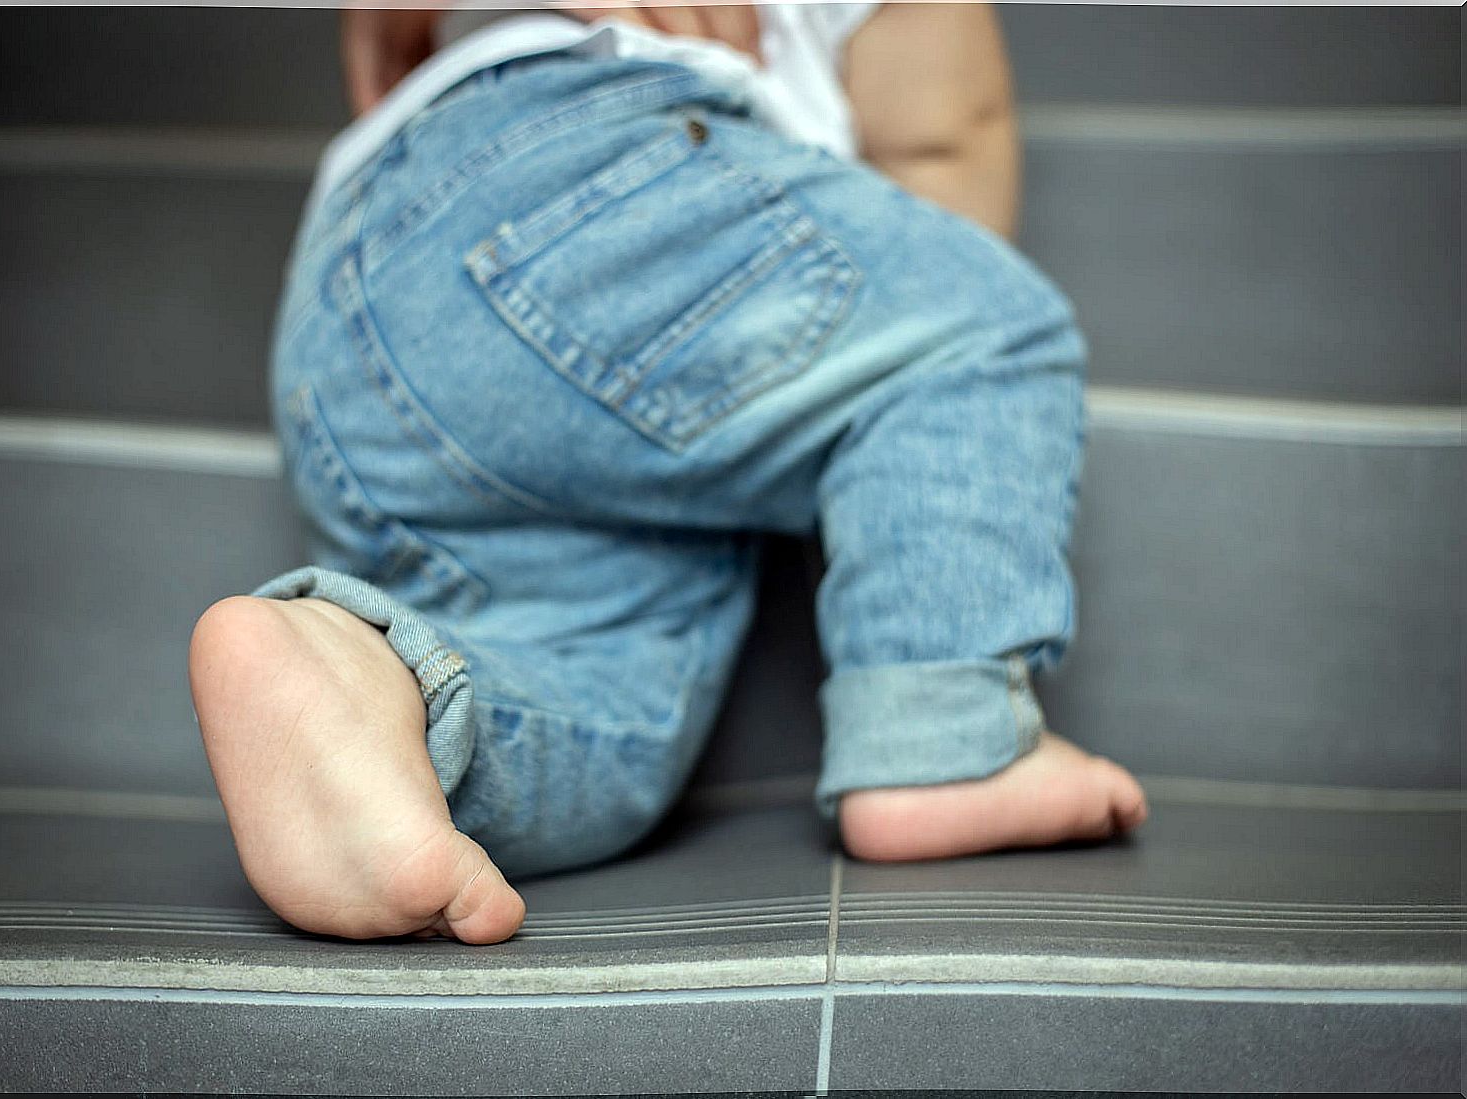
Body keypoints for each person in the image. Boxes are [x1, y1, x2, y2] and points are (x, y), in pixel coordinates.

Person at [188, 1, 1149, 944]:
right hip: (582, 184)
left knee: (622, 723)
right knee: (981, 329)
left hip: (343, 338)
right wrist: (900, 440)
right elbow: (946, 141)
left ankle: (367, 688)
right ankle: (950, 736)